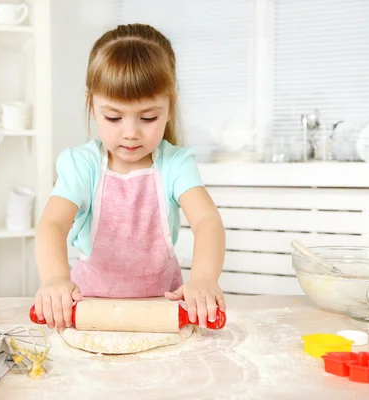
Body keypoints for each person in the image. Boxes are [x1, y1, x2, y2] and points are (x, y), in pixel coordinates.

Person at [33, 23, 226, 331]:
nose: (131, 133)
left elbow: (207, 222)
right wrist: (55, 279)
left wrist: (203, 279)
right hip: (88, 311)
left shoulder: (176, 165)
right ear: (92, 106)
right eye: (114, 117)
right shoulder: (83, 165)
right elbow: (52, 223)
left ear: (169, 107)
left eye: (148, 117)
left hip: (163, 312)